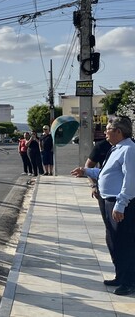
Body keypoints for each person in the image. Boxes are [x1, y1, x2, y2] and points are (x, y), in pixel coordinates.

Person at [71, 117, 135, 296]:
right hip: (108, 200)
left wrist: (121, 205)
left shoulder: (129, 150)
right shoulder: (116, 148)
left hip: (120, 202)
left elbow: (130, 181)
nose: (105, 132)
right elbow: (106, 173)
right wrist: (86, 171)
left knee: (125, 243)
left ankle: (130, 281)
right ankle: (120, 276)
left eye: (108, 129)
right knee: (113, 241)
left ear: (118, 131)